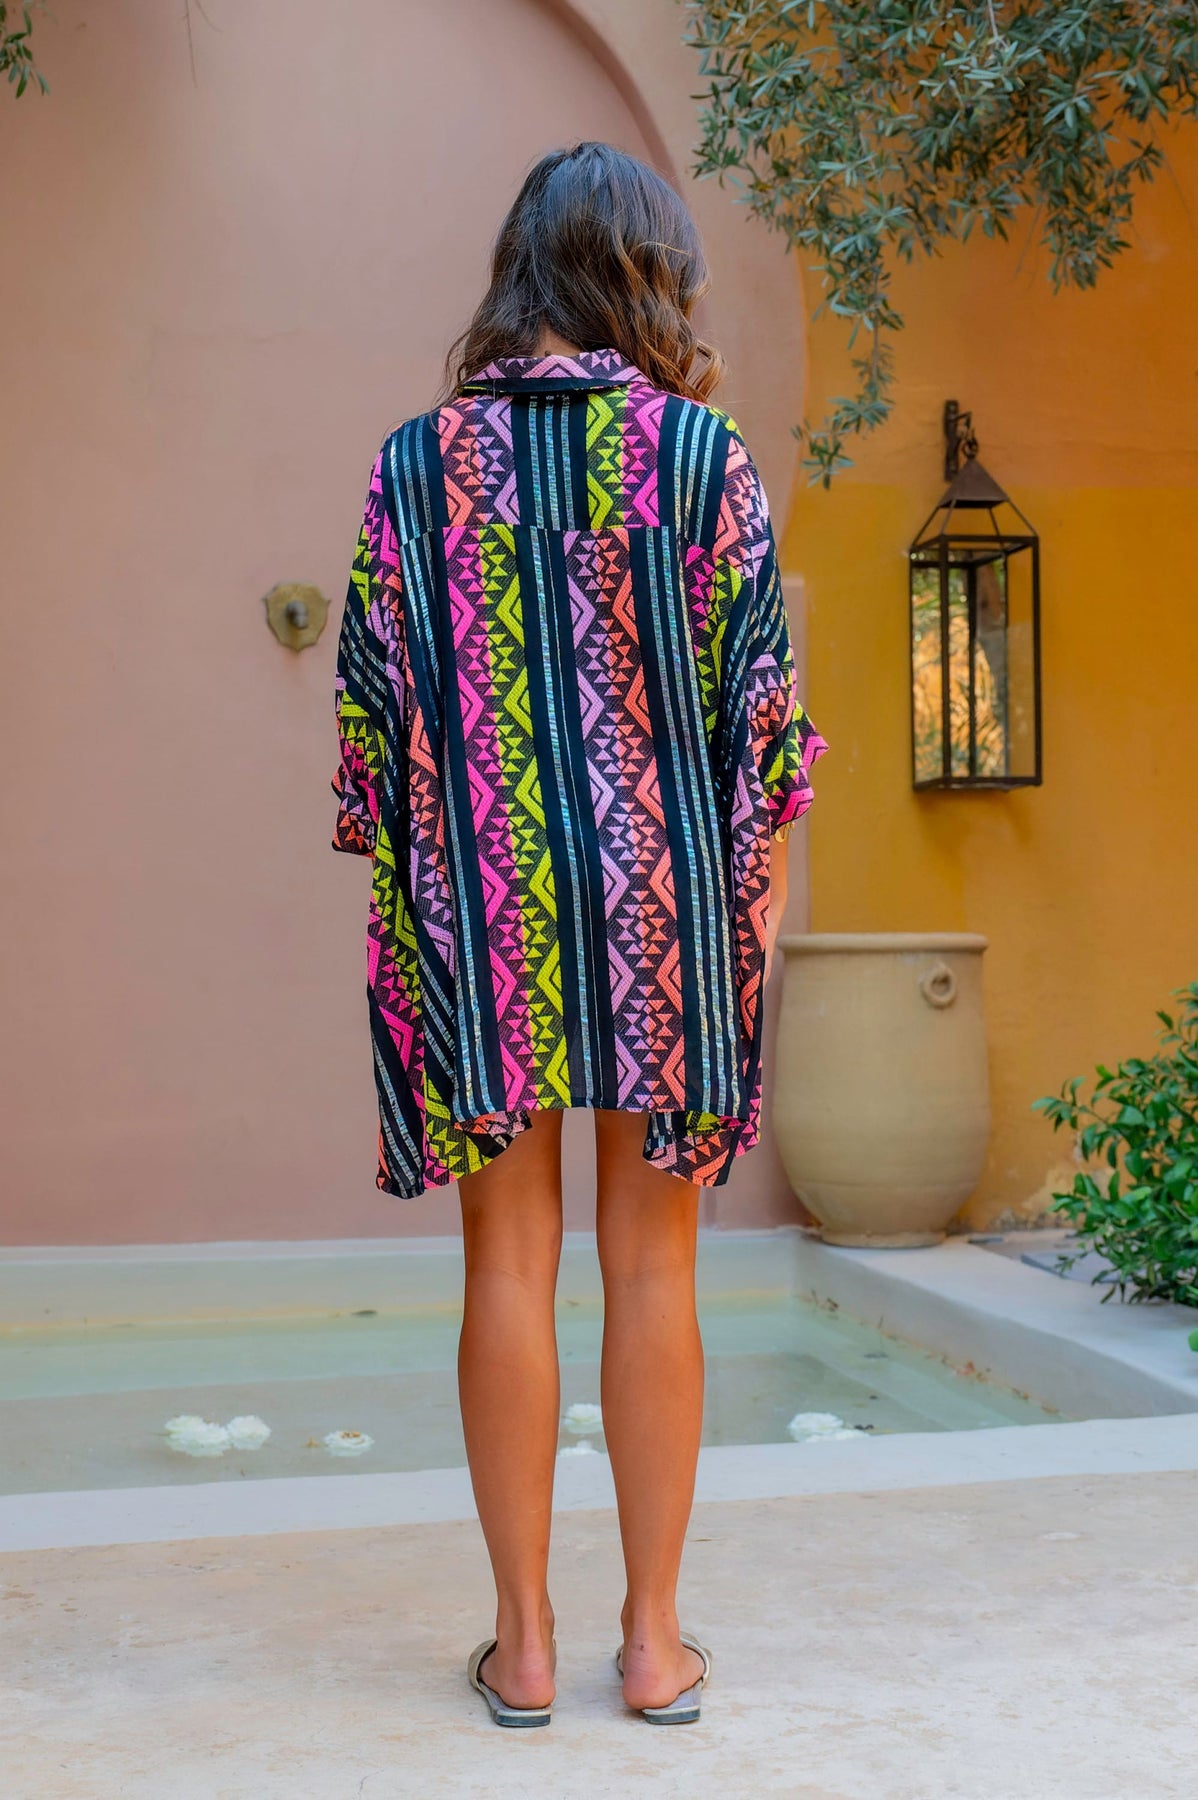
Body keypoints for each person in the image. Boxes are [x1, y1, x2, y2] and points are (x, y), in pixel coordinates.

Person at [331, 141, 825, 1728]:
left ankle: (524, 1644)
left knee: (505, 1261)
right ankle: (654, 1643)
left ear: (519, 273)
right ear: (650, 277)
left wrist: (420, 894)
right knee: (654, 1263)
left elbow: (371, 724)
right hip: (666, 901)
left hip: (485, 903)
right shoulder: (702, 458)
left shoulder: (416, 465)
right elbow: (764, 724)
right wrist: (750, 914)